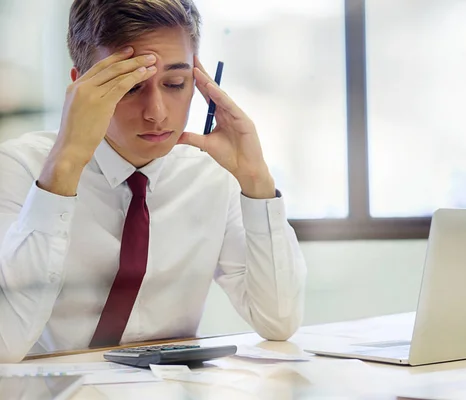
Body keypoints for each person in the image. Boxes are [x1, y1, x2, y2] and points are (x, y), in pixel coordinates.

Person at [0, 0, 306, 363]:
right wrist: (63, 169)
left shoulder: (212, 174)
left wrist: (256, 181)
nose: (157, 112)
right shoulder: (20, 169)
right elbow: (5, 343)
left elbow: (278, 321)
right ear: (79, 88)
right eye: (129, 87)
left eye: (176, 83)